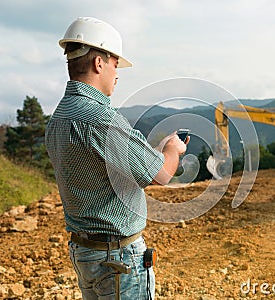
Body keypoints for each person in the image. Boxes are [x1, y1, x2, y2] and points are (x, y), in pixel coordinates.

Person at [45, 17, 188, 300]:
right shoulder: (103, 120)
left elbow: (100, 169)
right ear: (99, 63)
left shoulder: (58, 119)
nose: (117, 73)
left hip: (84, 253)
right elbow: (161, 175)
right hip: (118, 258)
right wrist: (172, 150)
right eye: (115, 64)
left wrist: (151, 154)